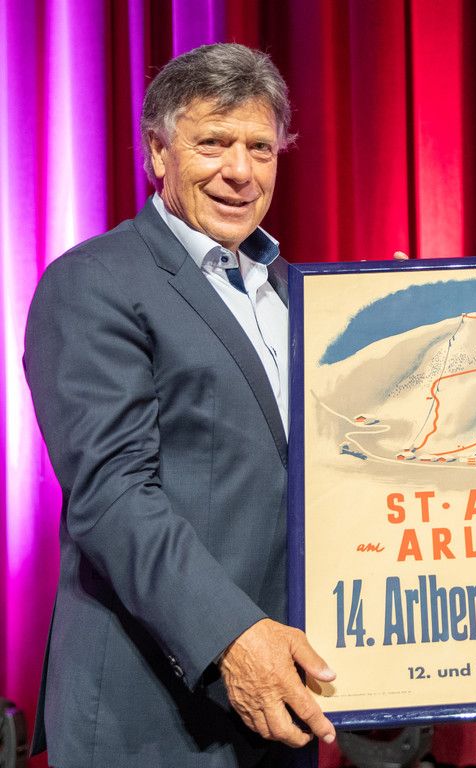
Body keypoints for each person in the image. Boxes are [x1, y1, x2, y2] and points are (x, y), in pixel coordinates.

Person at [24, 43, 336, 767]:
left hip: (283, 694)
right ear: (158, 153)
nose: (240, 171)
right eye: (213, 143)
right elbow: (113, 495)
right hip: (150, 715)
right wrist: (233, 638)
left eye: (261, 148)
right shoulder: (94, 283)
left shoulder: (297, 291)